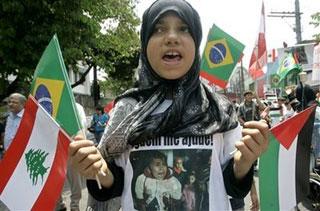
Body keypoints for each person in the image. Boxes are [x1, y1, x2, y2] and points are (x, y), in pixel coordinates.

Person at [69, 0, 269, 210]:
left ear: (196, 40)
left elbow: (233, 186)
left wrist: (245, 162)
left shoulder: (219, 110)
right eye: (159, 29)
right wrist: (97, 170)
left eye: (183, 29)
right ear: (145, 43)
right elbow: (114, 184)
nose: (172, 37)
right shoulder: (127, 109)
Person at [56, 102, 86, 211]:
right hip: (55, 149)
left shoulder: (76, 107)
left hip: (71, 148)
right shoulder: (52, 104)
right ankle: (59, 205)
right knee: (55, 180)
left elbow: (82, 126)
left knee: (75, 180)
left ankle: (75, 206)